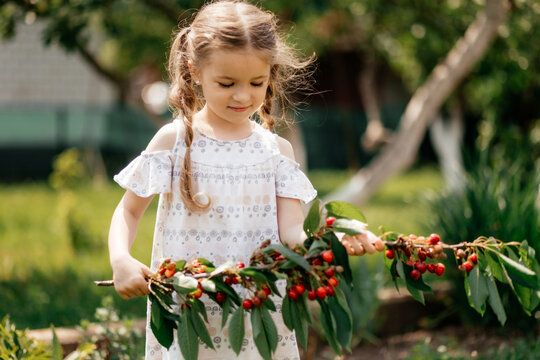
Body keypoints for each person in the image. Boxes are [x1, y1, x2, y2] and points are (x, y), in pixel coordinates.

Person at [108, 1, 383, 359]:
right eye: (226, 83)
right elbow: (128, 212)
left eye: (257, 82)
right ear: (195, 70)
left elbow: (293, 234)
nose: (243, 95)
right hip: (190, 315)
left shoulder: (276, 152)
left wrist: (335, 238)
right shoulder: (173, 142)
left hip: (258, 316)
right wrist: (120, 259)